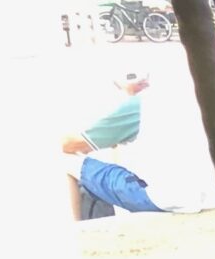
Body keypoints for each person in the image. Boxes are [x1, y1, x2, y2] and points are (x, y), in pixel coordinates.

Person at [59, 69, 188, 219]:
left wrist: (126, 98)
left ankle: (78, 232)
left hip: (164, 199)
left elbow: (69, 145)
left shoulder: (139, 105)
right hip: (208, 194)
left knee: (65, 160)